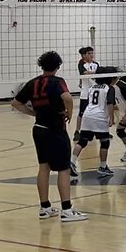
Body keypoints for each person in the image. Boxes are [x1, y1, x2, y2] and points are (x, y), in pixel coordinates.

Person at [11, 51, 86, 223]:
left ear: (41, 65)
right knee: (63, 169)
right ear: (58, 66)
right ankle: (66, 210)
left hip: (39, 128)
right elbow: (67, 97)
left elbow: (15, 103)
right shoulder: (57, 82)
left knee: (43, 167)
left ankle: (44, 207)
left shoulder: (33, 82)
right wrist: (69, 112)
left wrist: (33, 113)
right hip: (55, 130)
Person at [72, 66, 114, 182]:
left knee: (82, 141)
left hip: (87, 115)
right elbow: (110, 104)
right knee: (105, 142)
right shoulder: (109, 88)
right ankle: (103, 166)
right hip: (99, 117)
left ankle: (72, 162)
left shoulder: (92, 87)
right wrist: (112, 118)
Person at [74, 46, 98, 140]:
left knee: (96, 112)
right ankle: (77, 131)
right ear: (83, 55)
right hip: (85, 93)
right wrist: (95, 73)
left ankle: (97, 131)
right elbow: (84, 73)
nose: (91, 55)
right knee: (82, 113)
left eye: (92, 53)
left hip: (95, 92)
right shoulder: (81, 64)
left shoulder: (96, 64)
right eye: (89, 53)